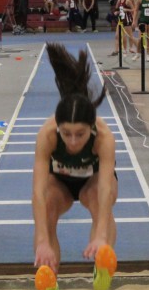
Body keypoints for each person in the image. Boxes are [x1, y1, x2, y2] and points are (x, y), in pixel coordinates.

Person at [32, 43, 117, 276]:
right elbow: (38, 192)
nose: (72, 141)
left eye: (80, 134)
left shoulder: (104, 138)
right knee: (47, 208)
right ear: (58, 127)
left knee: (100, 201)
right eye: (66, 134)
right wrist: (42, 241)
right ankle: (49, 280)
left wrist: (101, 236)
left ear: (91, 128)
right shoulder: (47, 135)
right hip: (60, 181)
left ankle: (103, 267)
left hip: (93, 180)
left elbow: (105, 188)